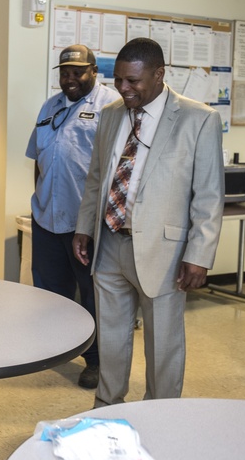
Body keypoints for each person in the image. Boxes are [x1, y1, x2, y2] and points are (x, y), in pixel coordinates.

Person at [73, 37, 224, 408]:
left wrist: (199, 255)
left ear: (159, 75)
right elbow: (97, 177)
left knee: (163, 343)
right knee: (110, 335)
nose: (124, 89)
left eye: (133, 82)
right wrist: (83, 226)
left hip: (164, 250)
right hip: (109, 242)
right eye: (119, 80)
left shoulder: (198, 118)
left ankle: (160, 411)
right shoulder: (111, 114)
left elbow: (208, 195)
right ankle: (107, 407)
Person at [26, 44, 120, 389]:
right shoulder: (50, 106)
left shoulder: (112, 107)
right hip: (47, 217)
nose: (70, 79)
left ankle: (96, 361)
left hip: (86, 223)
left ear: (94, 71)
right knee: (51, 292)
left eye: (78, 72)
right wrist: (38, 201)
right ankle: (57, 349)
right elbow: (36, 158)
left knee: (92, 294)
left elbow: (114, 170)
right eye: (65, 72)